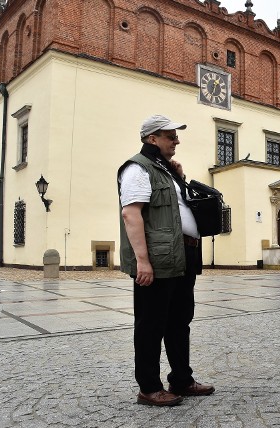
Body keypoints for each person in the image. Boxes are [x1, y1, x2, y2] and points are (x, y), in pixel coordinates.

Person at [118, 114, 215, 406]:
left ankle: (181, 379)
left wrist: (180, 178)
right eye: (170, 136)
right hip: (158, 258)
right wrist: (143, 262)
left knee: (179, 321)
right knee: (150, 324)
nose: (177, 140)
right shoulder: (138, 168)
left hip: (182, 254)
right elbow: (131, 214)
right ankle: (148, 387)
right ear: (152, 139)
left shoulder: (167, 169)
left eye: (176, 136)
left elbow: (175, 210)